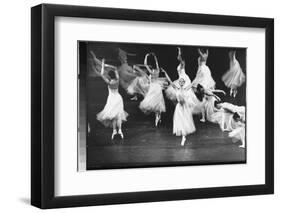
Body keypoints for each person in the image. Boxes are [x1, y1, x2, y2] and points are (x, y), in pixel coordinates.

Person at [96, 59, 128, 139]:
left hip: (112, 99)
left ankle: (114, 131)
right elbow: (115, 69)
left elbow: (101, 74)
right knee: (118, 116)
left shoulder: (108, 82)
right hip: (118, 98)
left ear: (109, 76)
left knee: (113, 117)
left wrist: (103, 65)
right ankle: (120, 130)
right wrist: (109, 65)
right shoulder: (117, 80)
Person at [139, 53, 167, 126]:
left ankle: (157, 117)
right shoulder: (157, 70)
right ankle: (158, 116)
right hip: (157, 87)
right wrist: (155, 57)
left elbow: (145, 64)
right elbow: (156, 63)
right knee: (158, 103)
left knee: (154, 103)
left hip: (153, 87)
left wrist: (146, 56)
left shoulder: (152, 72)